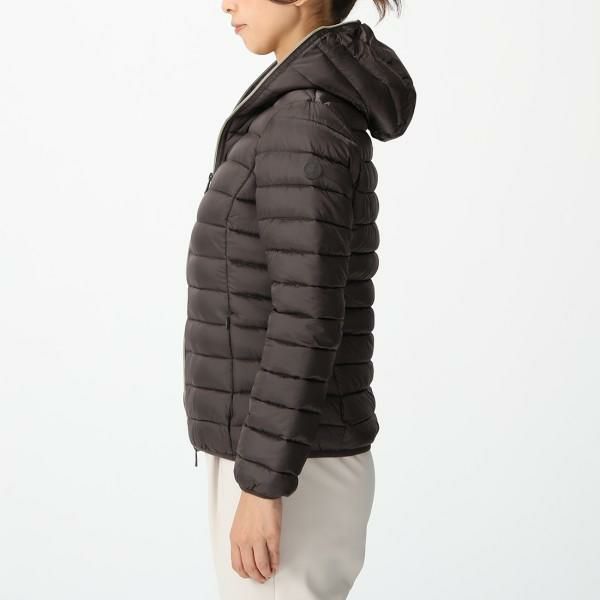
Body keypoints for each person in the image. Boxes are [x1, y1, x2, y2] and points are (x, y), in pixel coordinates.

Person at [182, 0, 416, 597]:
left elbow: (306, 314)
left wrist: (262, 486)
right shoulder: (293, 109)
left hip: (292, 468)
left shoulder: (303, 121)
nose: (225, 3)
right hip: (280, 453)